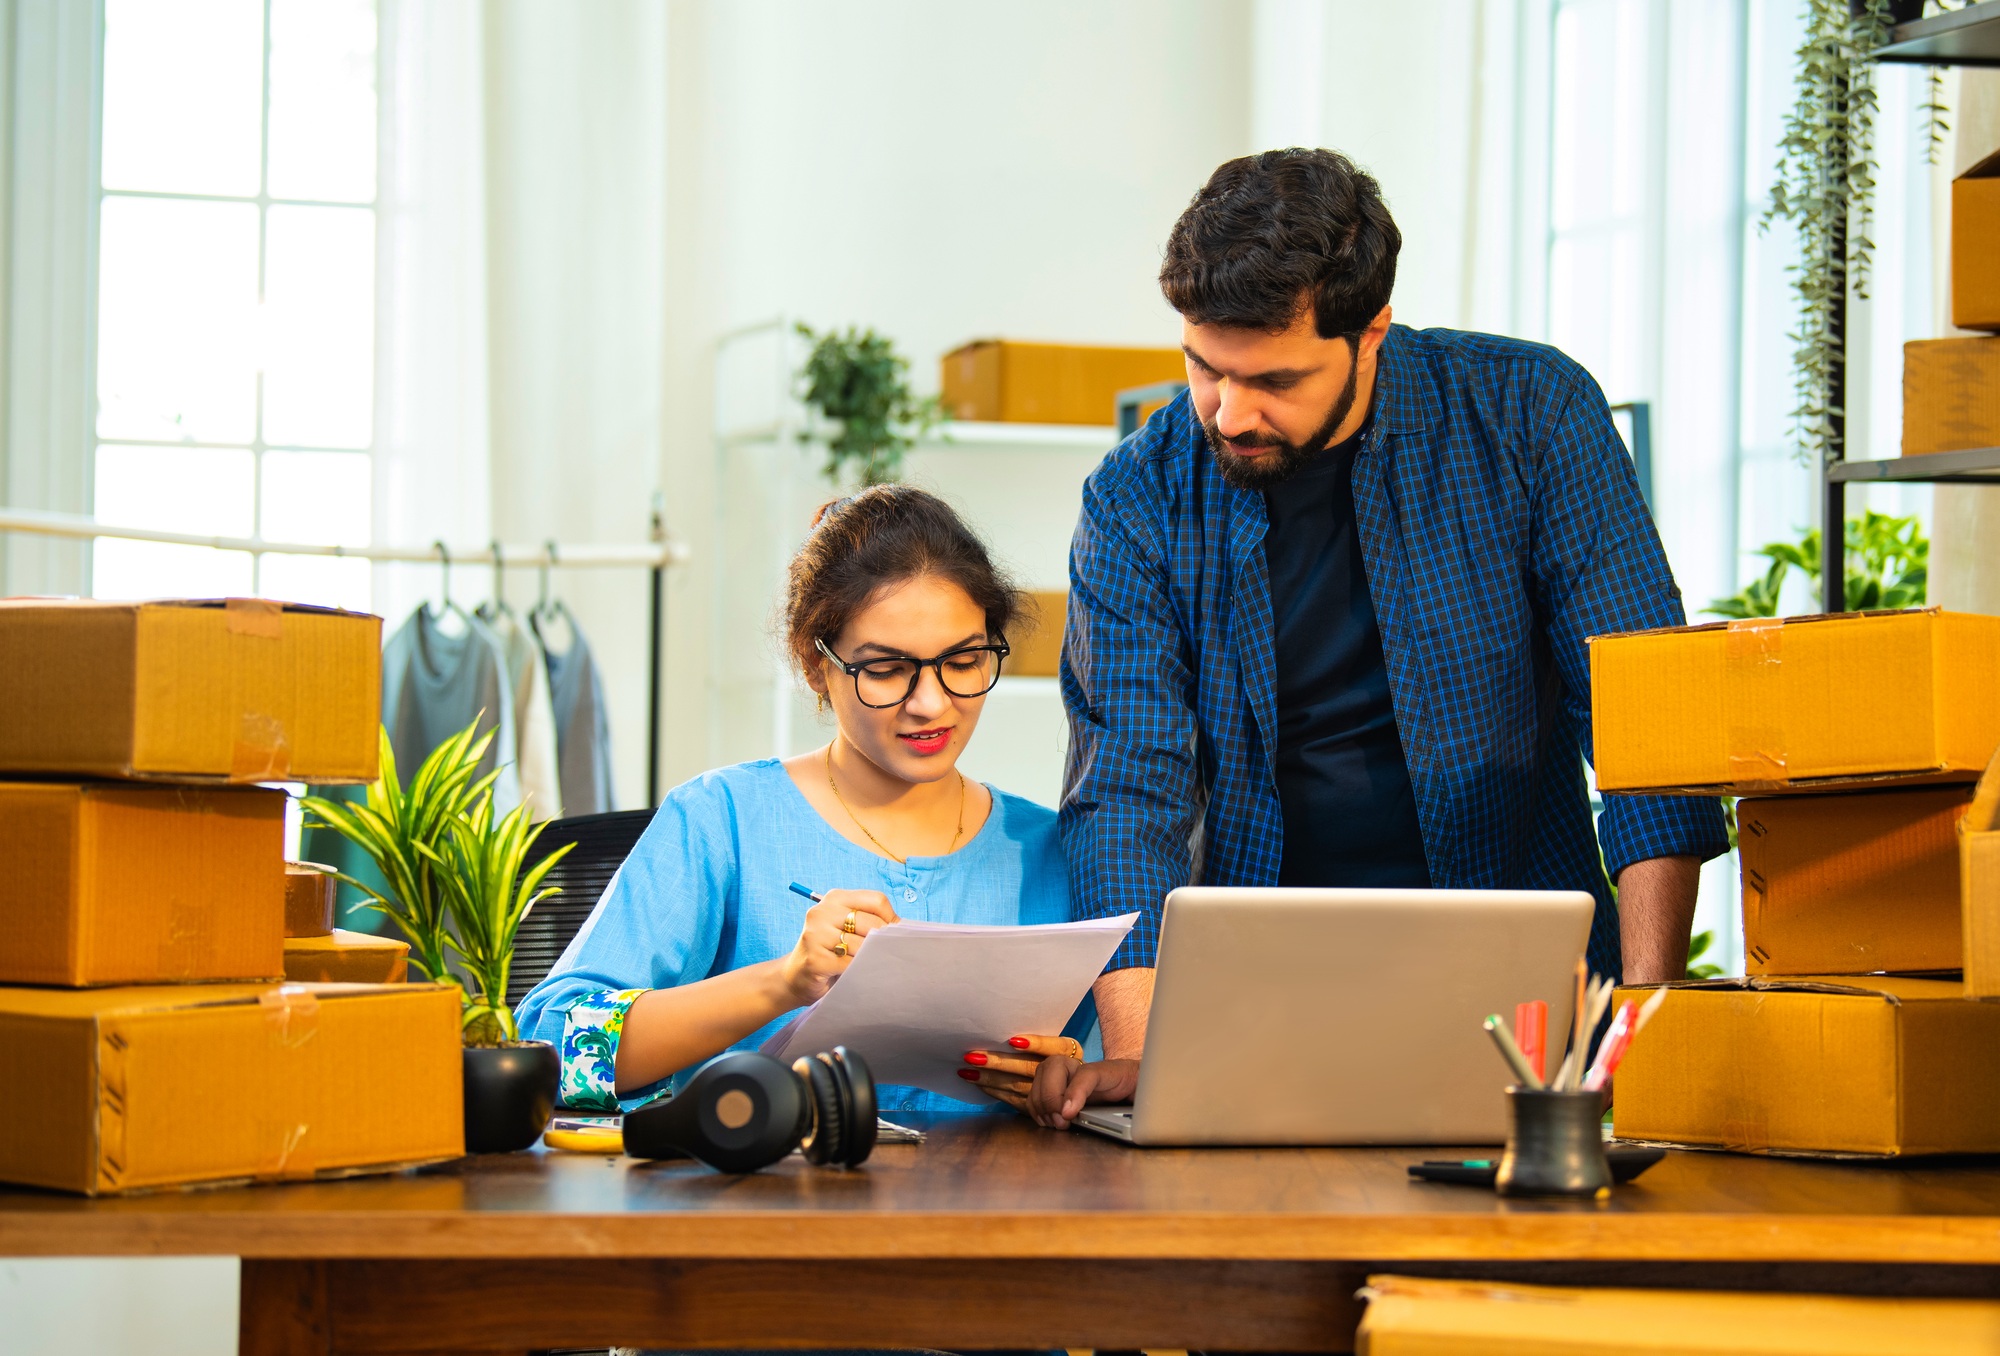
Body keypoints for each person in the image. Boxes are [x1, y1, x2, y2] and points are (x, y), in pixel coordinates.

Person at [1027, 148, 1730, 1128]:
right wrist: (1145, 1055)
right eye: (1202, 367)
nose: (1226, 413)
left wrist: (1649, 1015)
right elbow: (1125, 787)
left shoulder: (1529, 414)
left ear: (1370, 334)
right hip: (1259, 1005)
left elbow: (1643, 721)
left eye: (1271, 378)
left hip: (1529, 1001)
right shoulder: (1135, 495)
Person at [516, 485, 1090, 1118]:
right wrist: (784, 981)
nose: (930, 703)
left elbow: (1111, 1077)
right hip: (762, 1209)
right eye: (885, 668)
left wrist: (1063, 1076)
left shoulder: (1054, 852)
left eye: (963, 659)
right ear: (817, 666)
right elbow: (551, 1048)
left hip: (993, 1211)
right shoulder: (721, 821)